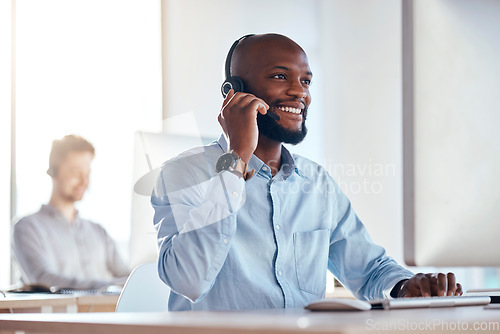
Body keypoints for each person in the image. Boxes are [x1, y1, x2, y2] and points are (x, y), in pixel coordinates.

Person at [151, 33, 462, 311]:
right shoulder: (184, 174)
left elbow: (369, 270)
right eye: (279, 76)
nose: (300, 93)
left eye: (306, 81)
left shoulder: (316, 183)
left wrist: (407, 286)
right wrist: (236, 158)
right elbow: (188, 280)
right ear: (235, 91)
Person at [13, 135, 130, 290]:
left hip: (104, 313)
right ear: (53, 171)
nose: (84, 181)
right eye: (76, 173)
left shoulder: (98, 231)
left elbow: (127, 277)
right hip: (58, 313)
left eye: (87, 173)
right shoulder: (28, 227)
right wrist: (106, 286)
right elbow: (41, 279)